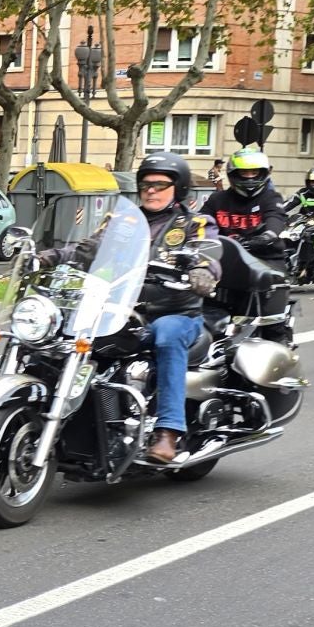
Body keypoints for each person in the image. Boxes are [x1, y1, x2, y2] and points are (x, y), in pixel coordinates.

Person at [40, 154, 220, 464]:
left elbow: (209, 252)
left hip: (177, 314)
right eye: (146, 184)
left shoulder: (194, 223)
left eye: (160, 184)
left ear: (178, 187)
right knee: (69, 337)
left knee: (166, 335)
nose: (151, 190)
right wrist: (50, 256)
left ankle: (168, 431)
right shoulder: (124, 220)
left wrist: (203, 270)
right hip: (126, 310)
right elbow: (89, 248)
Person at [199, 147, 289, 264]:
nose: (250, 177)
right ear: (233, 173)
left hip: (266, 258)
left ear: (263, 173)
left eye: (254, 172)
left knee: (267, 279)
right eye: (244, 172)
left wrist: (267, 236)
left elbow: (275, 217)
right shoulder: (217, 199)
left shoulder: (271, 197)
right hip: (225, 258)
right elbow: (200, 221)